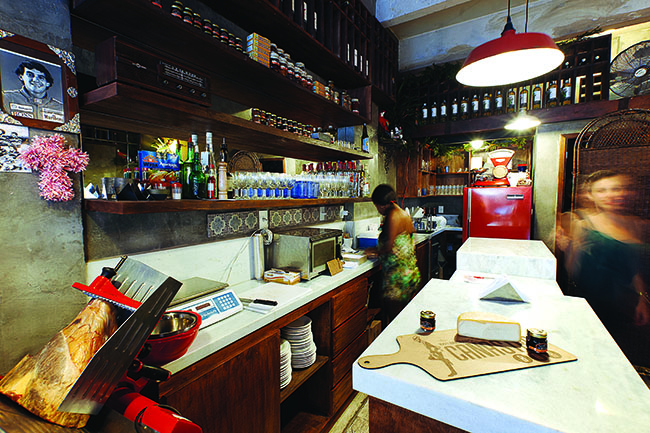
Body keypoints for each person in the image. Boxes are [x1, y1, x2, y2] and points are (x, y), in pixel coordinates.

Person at [559, 170, 650, 366]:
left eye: (617, 188)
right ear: (590, 195)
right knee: (586, 356)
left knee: (620, 359)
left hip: (626, 305)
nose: (612, 195)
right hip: (588, 303)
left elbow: (635, 267)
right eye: (602, 190)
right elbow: (571, 267)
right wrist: (567, 246)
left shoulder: (638, 225)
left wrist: (642, 298)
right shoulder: (578, 222)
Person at [365, 184, 421, 324]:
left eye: (376, 206)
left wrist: (372, 251)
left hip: (398, 278)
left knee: (395, 321)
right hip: (409, 273)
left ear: (382, 205)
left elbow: (389, 246)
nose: (378, 210)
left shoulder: (393, 216)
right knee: (405, 317)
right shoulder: (402, 213)